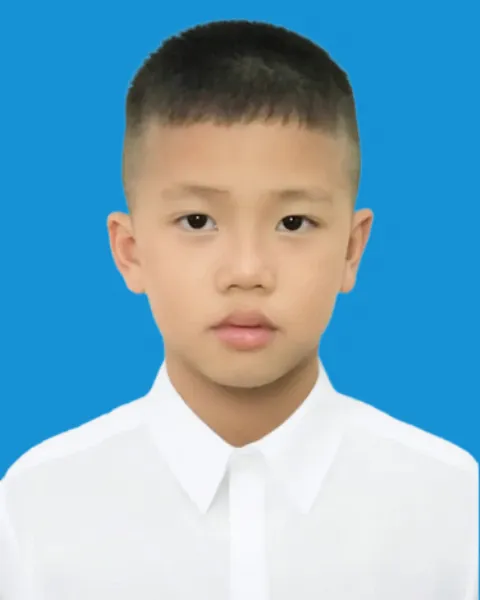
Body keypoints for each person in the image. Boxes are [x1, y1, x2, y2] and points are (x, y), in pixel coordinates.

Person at [0, 19, 477, 600]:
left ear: (352, 251)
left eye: (293, 223)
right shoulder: (37, 507)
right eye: (198, 221)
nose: (247, 271)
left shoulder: (453, 505)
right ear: (130, 251)